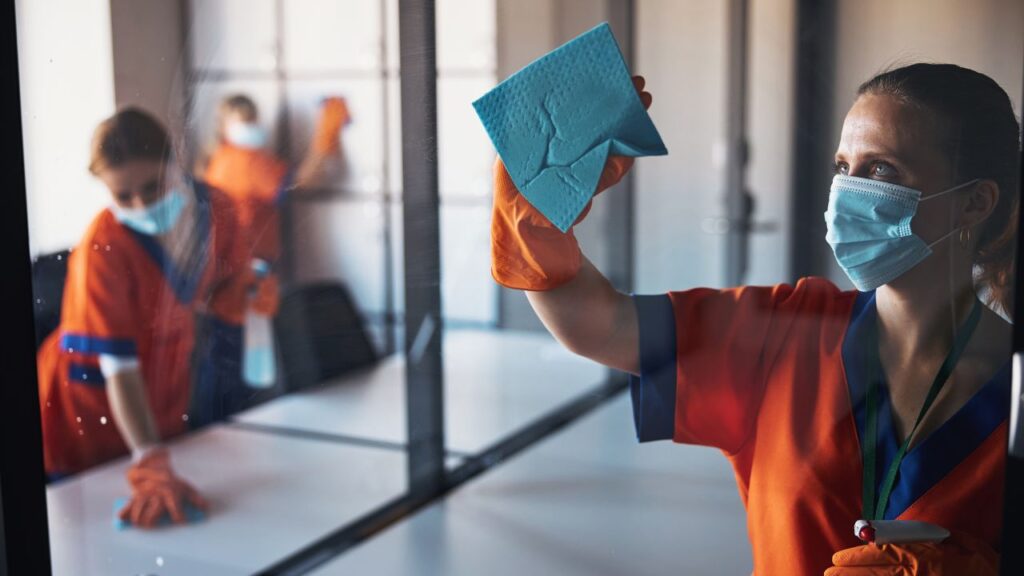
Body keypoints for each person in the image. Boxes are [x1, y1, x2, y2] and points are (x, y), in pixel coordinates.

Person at [490, 64, 1019, 574]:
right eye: (842, 168)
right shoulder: (787, 331)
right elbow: (598, 326)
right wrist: (538, 216)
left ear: (974, 203)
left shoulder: (1015, 388)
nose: (848, 192)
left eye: (882, 170)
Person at [36, 107, 274, 527]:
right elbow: (119, 373)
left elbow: (221, 286)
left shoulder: (215, 208)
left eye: (153, 185)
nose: (141, 204)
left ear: (174, 164)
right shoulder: (102, 251)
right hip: (90, 409)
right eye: (123, 196)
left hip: (161, 389)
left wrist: (249, 289)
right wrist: (148, 458)